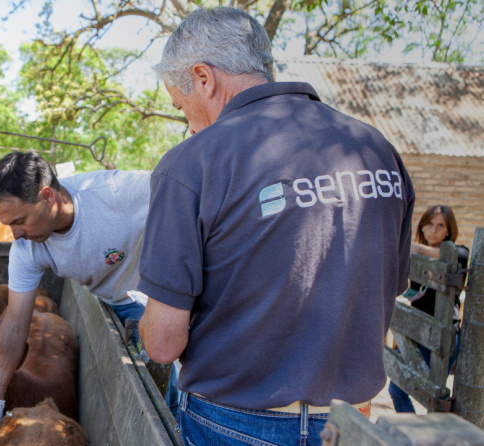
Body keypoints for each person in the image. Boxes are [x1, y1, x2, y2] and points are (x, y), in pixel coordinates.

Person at [135, 6, 414, 446]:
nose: (188, 125)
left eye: (180, 105)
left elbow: (163, 344)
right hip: (350, 423)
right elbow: (388, 285)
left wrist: (145, 324)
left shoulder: (191, 163)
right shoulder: (376, 149)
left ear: (204, 78)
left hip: (233, 423)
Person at [0, 151, 179, 435]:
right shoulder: (27, 248)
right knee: (155, 376)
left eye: (19, 220)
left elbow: (184, 195)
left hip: (163, 292)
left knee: (176, 379)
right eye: (9, 225)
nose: (15, 234)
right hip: (118, 301)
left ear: (47, 197)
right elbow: (16, 323)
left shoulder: (119, 193)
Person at [388, 204, 469, 413]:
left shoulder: (458, 252)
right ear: (422, 227)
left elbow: (459, 256)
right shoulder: (414, 259)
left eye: (440, 225)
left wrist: (416, 248)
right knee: (397, 390)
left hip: (442, 337)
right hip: (417, 333)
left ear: (449, 229)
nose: (434, 230)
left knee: (430, 398)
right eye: (429, 224)